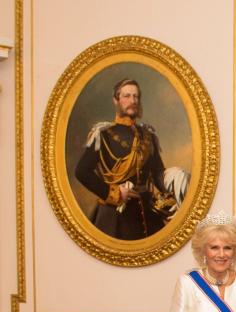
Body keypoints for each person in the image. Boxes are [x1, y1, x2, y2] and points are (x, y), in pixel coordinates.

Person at [75, 78, 188, 240]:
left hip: (148, 215)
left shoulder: (148, 135)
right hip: (115, 216)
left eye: (136, 96)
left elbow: (157, 175)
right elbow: (82, 172)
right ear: (116, 100)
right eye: (127, 96)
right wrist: (115, 193)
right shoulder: (103, 134)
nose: (132, 101)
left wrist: (175, 178)